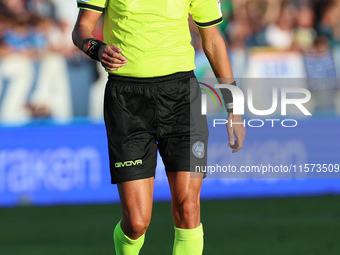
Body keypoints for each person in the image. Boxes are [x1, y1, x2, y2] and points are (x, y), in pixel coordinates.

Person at [72, 0, 245, 254]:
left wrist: (234, 108)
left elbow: (213, 41)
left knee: (188, 208)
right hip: (126, 100)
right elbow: (81, 30)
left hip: (182, 98)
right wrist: (97, 49)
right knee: (136, 223)